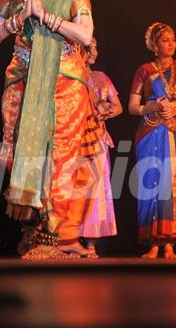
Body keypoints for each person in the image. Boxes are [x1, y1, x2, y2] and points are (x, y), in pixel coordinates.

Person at [0, 0, 103, 259]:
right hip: (21, 79)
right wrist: (17, 20)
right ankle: (31, 226)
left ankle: (52, 235)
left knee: (62, 155)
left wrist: (46, 17)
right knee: (18, 153)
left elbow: (85, 34)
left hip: (64, 80)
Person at [128, 22, 176, 259]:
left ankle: (170, 242)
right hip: (151, 131)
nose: (171, 44)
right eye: (165, 40)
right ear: (154, 45)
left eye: (173, 39)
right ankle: (153, 242)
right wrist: (151, 106)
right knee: (153, 182)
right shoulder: (144, 70)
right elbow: (132, 107)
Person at [79, 37, 120, 257]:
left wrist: (105, 112)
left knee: (95, 191)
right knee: (75, 188)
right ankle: (67, 238)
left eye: (96, 46)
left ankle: (91, 244)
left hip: (98, 139)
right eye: (90, 47)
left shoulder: (101, 78)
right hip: (75, 138)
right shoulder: (72, 76)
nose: (94, 50)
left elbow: (119, 107)